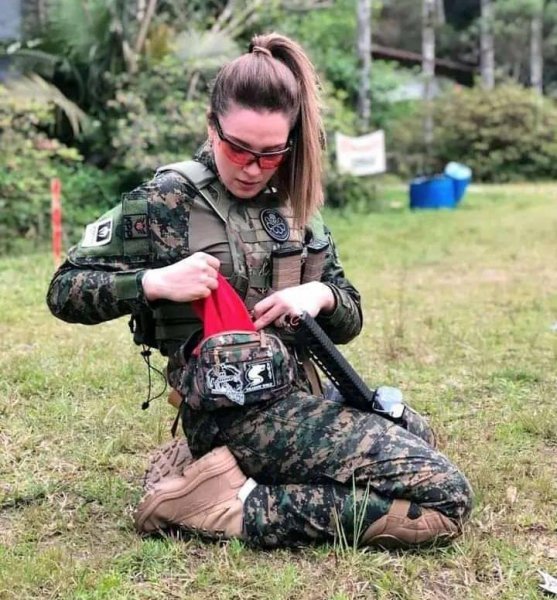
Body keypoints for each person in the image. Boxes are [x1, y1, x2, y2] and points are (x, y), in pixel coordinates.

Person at [47, 32, 473, 550]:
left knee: (420, 435)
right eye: (238, 149)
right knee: (445, 499)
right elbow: (64, 289)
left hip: (297, 395)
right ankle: (233, 507)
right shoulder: (168, 200)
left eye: (271, 154)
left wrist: (319, 297)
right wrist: (154, 283)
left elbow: (350, 315)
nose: (252, 167)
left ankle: (214, 472)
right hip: (231, 413)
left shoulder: (294, 199)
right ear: (212, 127)